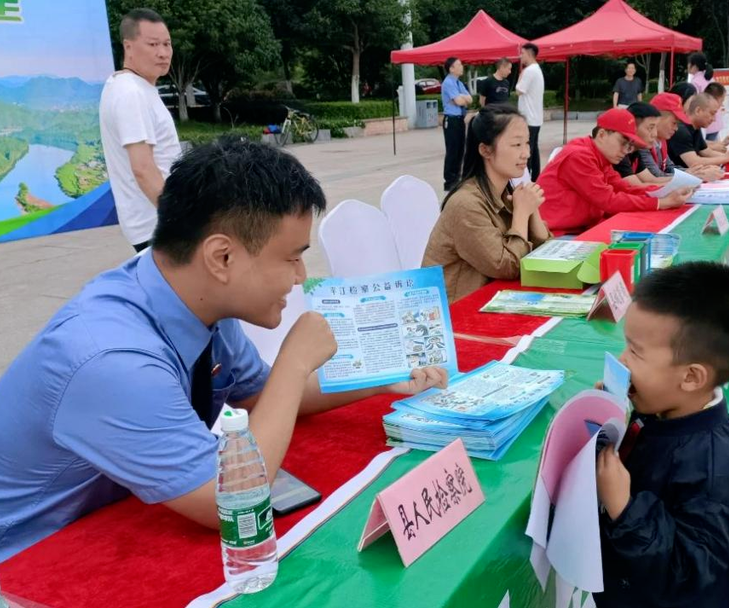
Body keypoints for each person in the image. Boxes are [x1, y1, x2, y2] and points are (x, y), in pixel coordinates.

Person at [0, 140, 448, 562]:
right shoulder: (111, 359)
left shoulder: (198, 300)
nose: (300, 276)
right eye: (292, 257)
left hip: (119, 516)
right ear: (222, 258)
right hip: (29, 557)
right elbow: (231, 502)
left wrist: (378, 378)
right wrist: (293, 360)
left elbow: (261, 395)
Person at [595, 261, 729, 608]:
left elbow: (687, 572)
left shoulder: (714, 468)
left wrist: (625, 510)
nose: (622, 361)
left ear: (691, 377)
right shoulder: (660, 408)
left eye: (636, 353)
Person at [423, 104, 551, 302]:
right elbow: (508, 266)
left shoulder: (507, 192)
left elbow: (547, 257)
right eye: (517, 145)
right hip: (455, 316)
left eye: (527, 143)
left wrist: (532, 210)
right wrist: (522, 213)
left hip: (494, 302)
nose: (526, 152)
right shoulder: (465, 204)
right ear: (485, 150)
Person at [99, 8, 181, 253]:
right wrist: (181, 220)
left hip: (158, 222)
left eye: (167, 44)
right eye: (153, 44)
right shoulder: (131, 93)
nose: (163, 52)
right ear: (129, 46)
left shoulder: (133, 88)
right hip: (158, 226)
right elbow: (143, 168)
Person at [536, 109, 692, 233]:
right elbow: (609, 200)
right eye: (623, 143)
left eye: (629, 146)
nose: (626, 151)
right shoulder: (579, 156)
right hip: (558, 234)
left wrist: (667, 191)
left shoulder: (601, 157)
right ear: (602, 134)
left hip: (581, 228)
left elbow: (625, 187)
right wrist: (661, 202)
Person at [639, 93, 724, 182]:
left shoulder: (661, 141)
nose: (676, 128)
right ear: (658, 119)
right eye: (674, 123)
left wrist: (695, 172)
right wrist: (692, 175)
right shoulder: (643, 144)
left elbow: (669, 167)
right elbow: (656, 176)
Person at [668, 94, 729, 169]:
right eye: (712, 113)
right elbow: (694, 162)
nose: (714, 119)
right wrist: (727, 157)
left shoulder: (695, 127)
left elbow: (706, 152)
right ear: (698, 111)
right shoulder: (681, 131)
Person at [615, 102, 670, 186]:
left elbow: (652, 179)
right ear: (632, 127)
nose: (655, 134)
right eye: (650, 128)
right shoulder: (618, 152)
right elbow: (637, 187)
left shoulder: (635, 150)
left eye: (656, 127)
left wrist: (685, 181)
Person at [441, 57, 473, 191]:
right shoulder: (448, 82)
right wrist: (460, 99)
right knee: (452, 150)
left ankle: (457, 178)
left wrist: (461, 98)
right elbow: (459, 101)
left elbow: (469, 99)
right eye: (458, 65)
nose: (462, 67)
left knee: (461, 149)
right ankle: (449, 180)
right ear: (451, 68)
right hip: (451, 119)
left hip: (460, 119)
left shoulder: (459, 83)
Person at [516, 43, 545, 182]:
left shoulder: (529, 71)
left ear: (528, 53)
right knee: (534, 148)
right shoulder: (537, 69)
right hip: (535, 117)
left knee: (527, 149)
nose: (520, 56)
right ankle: (536, 177)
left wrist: (521, 74)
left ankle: (526, 178)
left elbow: (519, 90)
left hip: (528, 117)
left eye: (522, 53)